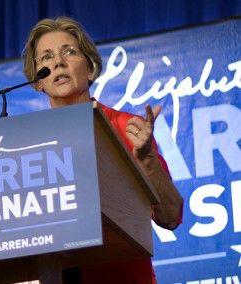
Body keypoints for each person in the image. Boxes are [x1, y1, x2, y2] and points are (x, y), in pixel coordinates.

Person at [22, 16, 184, 283]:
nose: (57, 62)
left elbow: (171, 217)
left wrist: (147, 160)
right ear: (38, 81)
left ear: (90, 68)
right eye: (46, 57)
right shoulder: (28, 146)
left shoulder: (127, 128)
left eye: (69, 52)